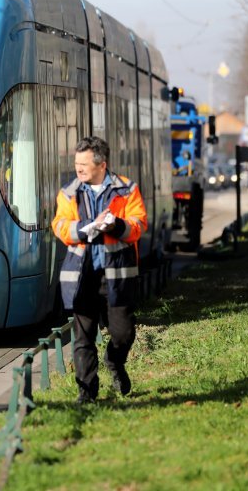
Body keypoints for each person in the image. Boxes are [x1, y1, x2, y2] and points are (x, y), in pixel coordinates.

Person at [51, 136, 148, 404]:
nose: (78, 169)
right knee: (82, 338)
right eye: (76, 163)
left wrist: (115, 226)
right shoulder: (69, 192)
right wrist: (82, 228)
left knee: (123, 333)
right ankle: (87, 393)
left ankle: (115, 362)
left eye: (83, 164)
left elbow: (138, 224)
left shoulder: (127, 189)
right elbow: (59, 225)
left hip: (116, 276)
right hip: (82, 277)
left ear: (101, 165)